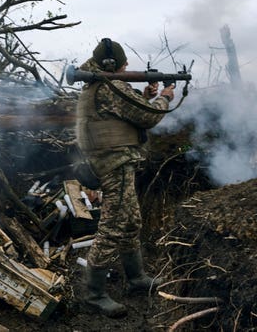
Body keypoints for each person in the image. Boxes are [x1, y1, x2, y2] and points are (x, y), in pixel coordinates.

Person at [75, 38, 175, 317]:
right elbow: (148, 117)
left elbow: (124, 114)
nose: (127, 65)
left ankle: (136, 279)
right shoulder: (111, 86)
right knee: (114, 226)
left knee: (131, 221)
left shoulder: (99, 86)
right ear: (112, 64)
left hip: (113, 161)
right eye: (123, 62)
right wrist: (164, 96)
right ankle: (94, 294)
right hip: (114, 164)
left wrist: (144, 95)